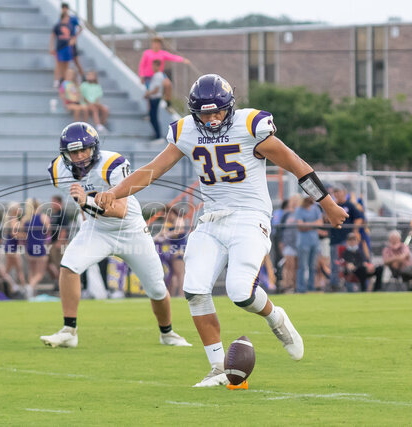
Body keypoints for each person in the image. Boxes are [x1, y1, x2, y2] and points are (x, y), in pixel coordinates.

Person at [95, 74, 348, 387]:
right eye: (205, 114)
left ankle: (275, 317)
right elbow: (151, 171)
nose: (212, 119)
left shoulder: (250, 126)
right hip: (212, 219)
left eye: (218, 111)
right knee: (194, 289)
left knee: (241, 293)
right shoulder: (186, 131)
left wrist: (327, 203)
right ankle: (218, 368)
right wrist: (115, 192)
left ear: (229, 107)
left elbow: (295, 164)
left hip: (250, 216)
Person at [40, 122, 191, 348]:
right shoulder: (57, 170)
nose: (80, 156)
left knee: (156, 288)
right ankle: (69, 331)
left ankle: (167, 333)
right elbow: (81, 203)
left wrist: (86, 201)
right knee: (69, 266)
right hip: (97, 229)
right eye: (74, 152)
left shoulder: (112, 164)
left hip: (129, 230)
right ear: (65, 154)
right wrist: (86, 214)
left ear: (94, 148)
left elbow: (120, 211)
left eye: (84, 150)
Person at [329, 184, 364, 291]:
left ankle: (349, 286)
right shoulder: (332, 205)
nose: (337, 194)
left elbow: (359, 218)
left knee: (347, 263)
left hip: (346, 240)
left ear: (344, 193)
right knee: (335, 263)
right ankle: (334, 285)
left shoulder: (349, 205)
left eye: (338, 192)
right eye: (335, 192)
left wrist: (354, 231)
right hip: (335, 239)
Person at [21, 198, 50, 297]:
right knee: (40, 273)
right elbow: (49, 232)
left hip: (29, 247)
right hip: (39, 246)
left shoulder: (25, 219)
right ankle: (30, 287)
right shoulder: (43, 217)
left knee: (32, 272)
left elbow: (22, 234)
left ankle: (31, 293)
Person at [294, 197, 323, 293]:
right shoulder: (299, 210)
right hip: (303, 242)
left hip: (314, 241)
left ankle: (311, 287)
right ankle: (301, 288)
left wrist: (307, 224)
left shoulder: (315, 208)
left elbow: (320, 223)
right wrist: (313, 225)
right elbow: (300, 226)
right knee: (302, 266)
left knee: (312, 266)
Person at [2, 202, 26, 291]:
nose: (20, 210)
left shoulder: (12, 219)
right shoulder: (13, 219)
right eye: (19, 208)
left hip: (11, 247)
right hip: (12, 248)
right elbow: (14, 234)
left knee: (7, 270)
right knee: (19, 270)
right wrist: (25, 236)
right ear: (15, 210)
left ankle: (13, 286)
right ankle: (23, 289)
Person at [50, 12, 74, 88]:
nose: (68, 19)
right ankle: (56, 80)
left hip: (67, 47)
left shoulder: (70, 26)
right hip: (60, 48)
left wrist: (72, 42)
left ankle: (65, 81)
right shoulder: (57, 26)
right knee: (58, 65)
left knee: (66, 65)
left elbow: (73, 37)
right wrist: (51, 47)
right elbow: (52, 36)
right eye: (67, 17)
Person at [61, 2, 84, 77]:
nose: (64, 10)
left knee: (76, 60)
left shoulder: (73, 19)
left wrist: (75, 37)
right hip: (64, 43)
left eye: (65, 8)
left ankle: (83, 77)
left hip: (72, 43)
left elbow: (81, 28)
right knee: (65, 62)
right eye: (63, 9)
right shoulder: (61, 19)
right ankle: (65, 78)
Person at [144, 59, 165, 140]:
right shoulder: (156, 75)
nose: (152, 67)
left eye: (154, 65)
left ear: (158, 66)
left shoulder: (159, 75)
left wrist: (148, 93)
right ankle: (156, 134)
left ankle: (158, 135)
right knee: (152, 117)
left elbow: (156, 89)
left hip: (155, 98)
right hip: (153, 98)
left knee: (154, 117)